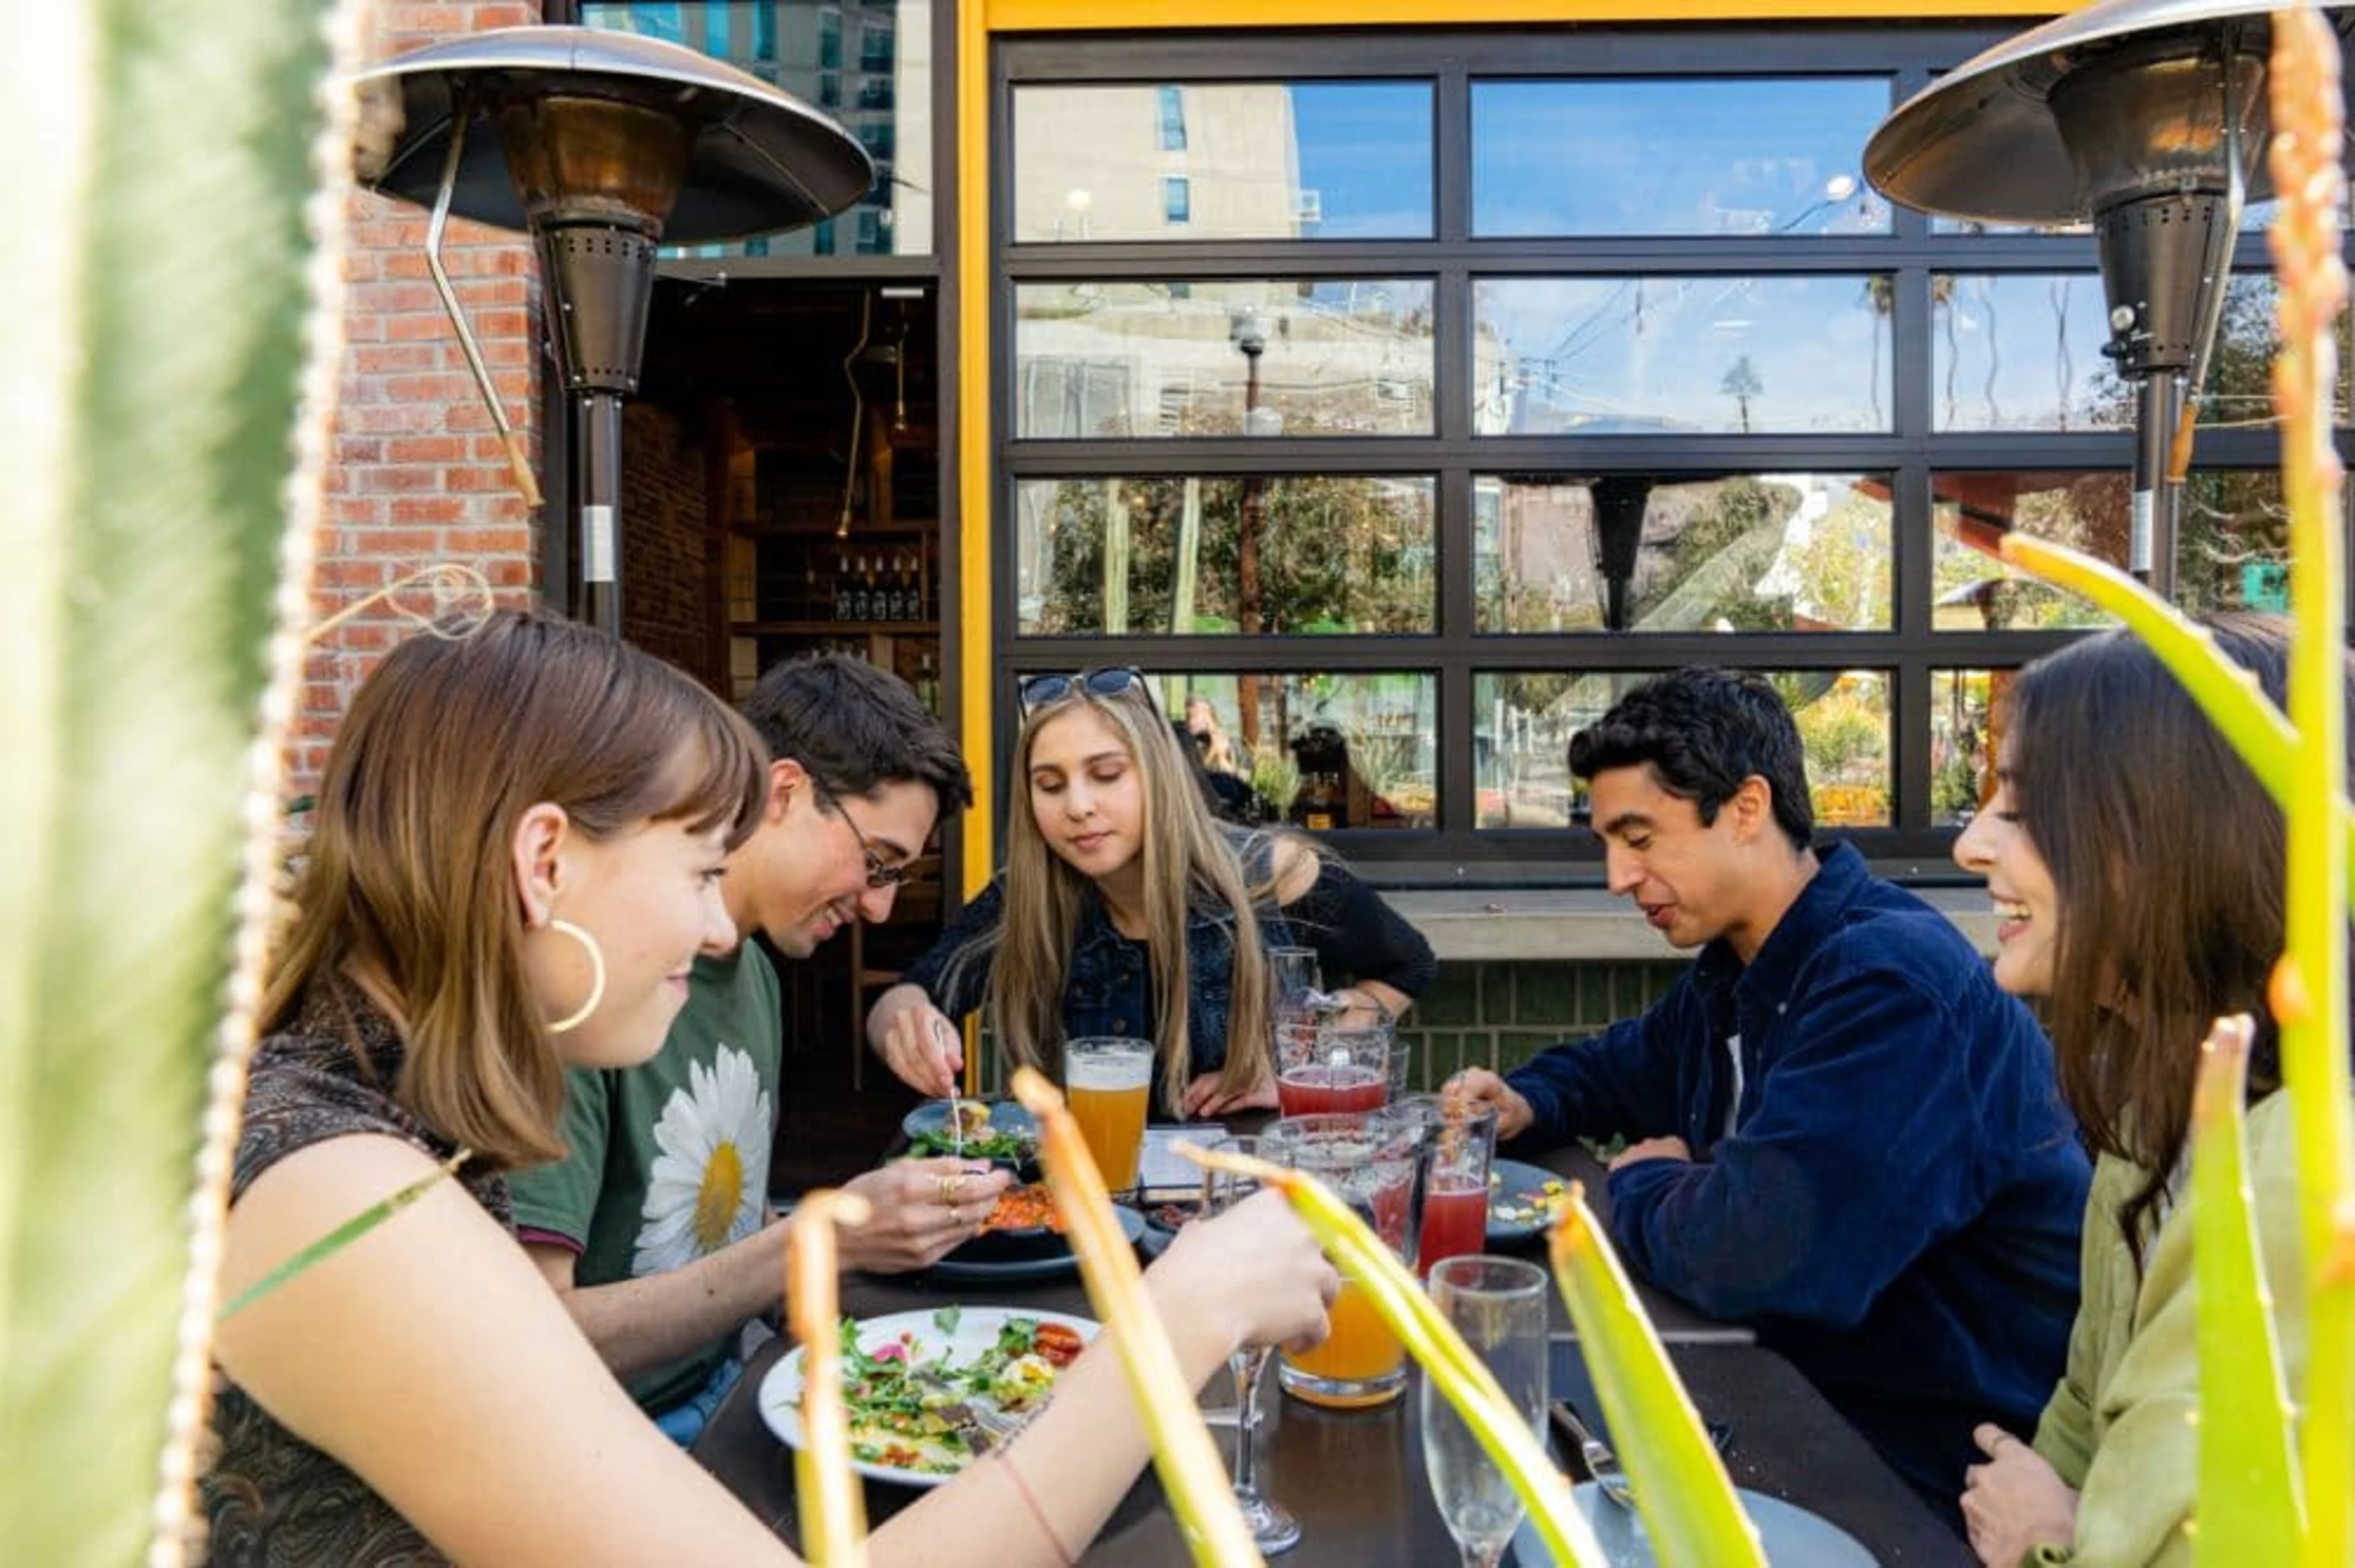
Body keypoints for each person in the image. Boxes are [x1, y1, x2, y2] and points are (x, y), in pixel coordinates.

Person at [202, 611, 1338, 1565]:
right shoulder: (336, 1188)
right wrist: (1182, 1316)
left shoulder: (382, 1104)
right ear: (545, 863)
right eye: (701, 868)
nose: (712, 926)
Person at [1451, 666, 2089, 1524]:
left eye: (1639, 836)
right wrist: (1527, 1100)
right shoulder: (1744, 965)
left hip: (1945, 1481)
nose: (1615, 875)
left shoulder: (1889, 983)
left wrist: (1641, 1181)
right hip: (1808, 1408)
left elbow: (1759, 1253)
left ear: (1747, 808)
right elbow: (1620, 1065)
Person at [506, 653, 1001, 1447]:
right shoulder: (589, 991)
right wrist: (825, 1234)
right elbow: (529, 1339)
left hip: (742, 1382)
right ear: (785, 792)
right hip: (608, 1442)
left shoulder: (759, 978)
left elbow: (727, 1229)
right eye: (875, 863)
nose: (878, 906)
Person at [1950, 618, 2339, 1567]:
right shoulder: (2149, 1118)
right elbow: (2086, 1412)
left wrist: (2051, 1541)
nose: (1969, 844)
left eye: (2025, 807)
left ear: (2171, 833)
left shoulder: (2297, 1172)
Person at [868, 666, 1436, 1117]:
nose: (1079, 805)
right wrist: (909, 1023)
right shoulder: (1030, 897)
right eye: (1050, 784)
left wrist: (1299, 1064)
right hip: (1102, 1205)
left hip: (1248, 1198)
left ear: (1157, 777)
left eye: (1107, 774)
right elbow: (906, 996)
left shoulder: (1267, 872)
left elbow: (1407, 964)